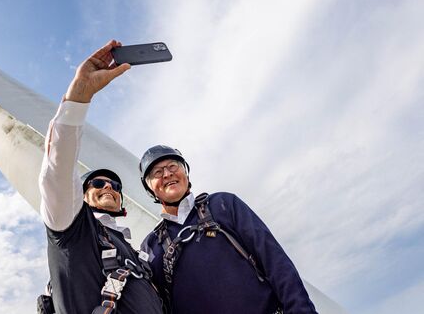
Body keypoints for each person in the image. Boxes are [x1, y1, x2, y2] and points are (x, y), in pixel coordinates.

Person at [38, 40, 163, 314]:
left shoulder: (139, 255)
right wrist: (79, 97)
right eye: (97, 183)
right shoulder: (72, 229)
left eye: (115, 185)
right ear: (81, 196)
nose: (108, 186)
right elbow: (57, 171)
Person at [139, 145, 318, 314]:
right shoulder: (151, 246)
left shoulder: (223, 205)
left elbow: (274, 261)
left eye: (173, 166)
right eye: (157, 172)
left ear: (185, 173)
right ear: (150, 189)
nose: (168, 174)